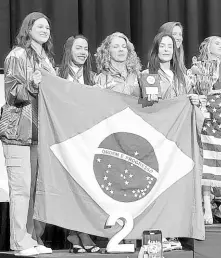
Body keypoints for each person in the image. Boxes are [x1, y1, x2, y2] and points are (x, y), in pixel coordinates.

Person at [1, 12, 56, 256]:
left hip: (39, 134)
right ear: (29, 28)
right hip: (18, 134)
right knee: (21, 189)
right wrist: (33, 85)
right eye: (40, 26)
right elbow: (12, 93)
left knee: (34, 189)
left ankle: (32, 238)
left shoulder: (46, 59)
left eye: (47, 27)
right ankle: (19, 241)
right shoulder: (18, 54)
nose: (45, 30)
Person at [57, 35, 101, 253]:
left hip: (86, 140)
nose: (83, 52)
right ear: (68, 50)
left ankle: (78, 234)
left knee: (85, 187)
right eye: (78, 48)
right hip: (63, 138)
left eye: (85, 48)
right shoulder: (57, 75)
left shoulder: (92, 78)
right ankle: (79, 234)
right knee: (69, 187)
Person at [191, 36, 221, 224]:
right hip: (205, 122)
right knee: (206, 166)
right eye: (217, 43)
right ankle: (206, 209)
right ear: (206, 47)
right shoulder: (197, 68)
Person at [142, 32, 193, 101]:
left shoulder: (183, 78)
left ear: (173, 51)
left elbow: (189, 101)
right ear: (156, 50)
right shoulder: (148, 75)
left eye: (170, 46)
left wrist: (194, 100)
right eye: (162, 46)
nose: (166, 49)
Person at [94, 32, 141, 97]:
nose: (121, 49)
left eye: (124, 47)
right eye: (116, 47)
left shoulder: (138, 76)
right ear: (107, 51)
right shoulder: (100, 79)